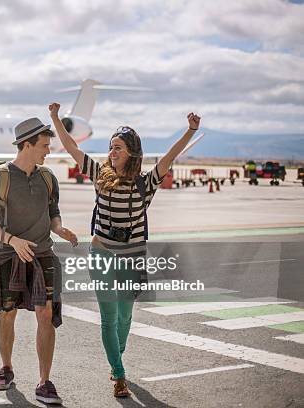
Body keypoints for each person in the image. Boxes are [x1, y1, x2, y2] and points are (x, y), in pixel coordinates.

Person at [49, 102, 201, 398]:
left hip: (132, 257)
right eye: (110, 147)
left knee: (124, 318)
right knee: (108, 318)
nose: (112, 152)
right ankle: (119, 375)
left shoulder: (146, 183)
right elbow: (70, 147)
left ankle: (115, 357)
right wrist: (55, 118)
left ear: (131, 152)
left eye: (118, 147)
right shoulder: (98, 173)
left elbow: (170, 156)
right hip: (102, 253)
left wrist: (190, 130)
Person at [0, 117, 78, 405]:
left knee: (45, 315)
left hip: (43, 255)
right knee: (7, 312)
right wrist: (12, 241)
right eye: (43, 146)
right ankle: (6, 367)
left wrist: (59, 228)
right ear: (26, 145)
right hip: (8, 255)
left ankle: (44, 381)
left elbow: (53, 210)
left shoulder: (47, 177)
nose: (48, 151)